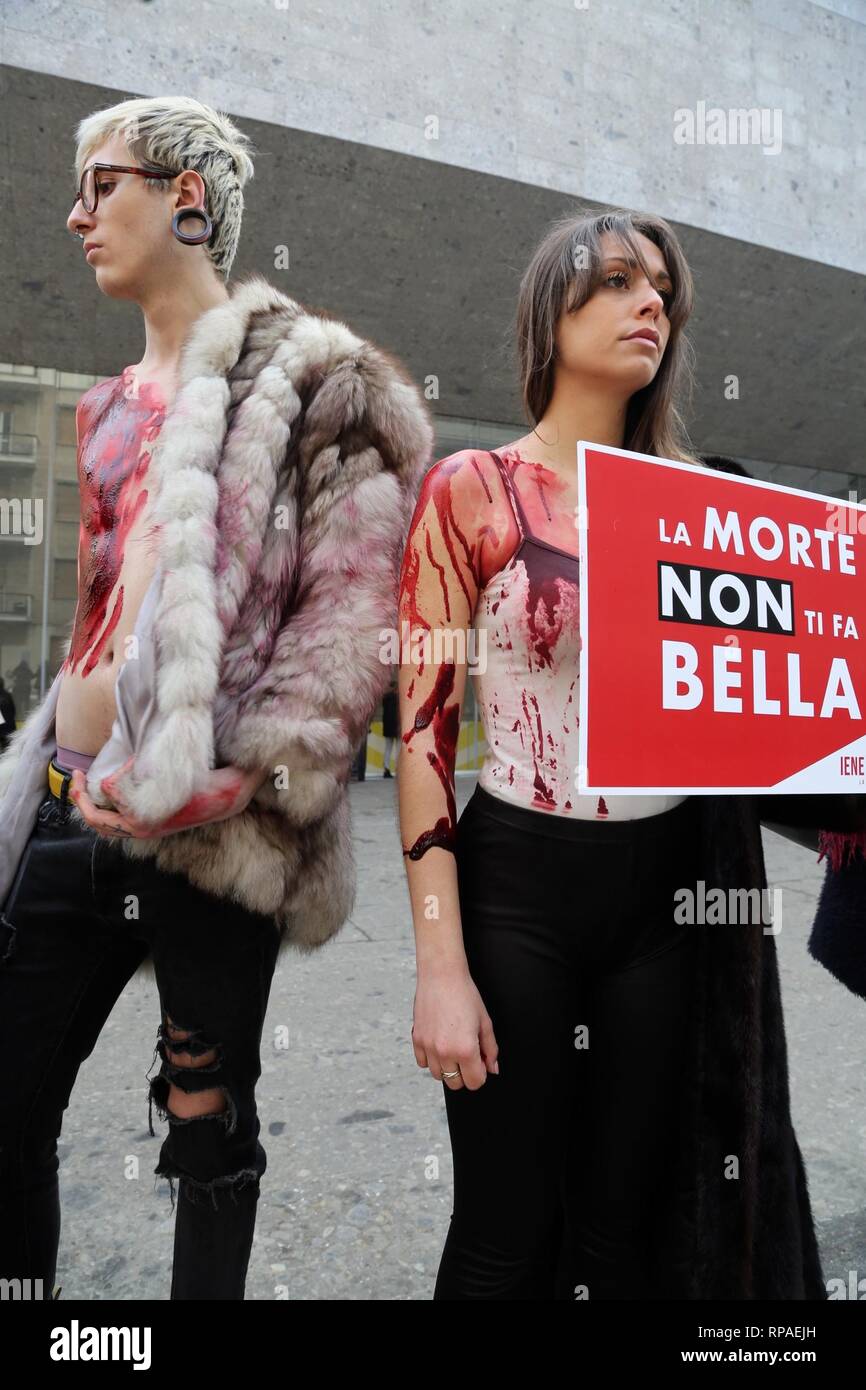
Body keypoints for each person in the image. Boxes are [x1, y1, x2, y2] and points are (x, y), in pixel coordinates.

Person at [0, 95, 432, 1301]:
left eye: (103, 185)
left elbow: (349, 616)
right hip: (64, 805)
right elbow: (104, 614)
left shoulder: (316, 379)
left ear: (188, 198)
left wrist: (250, 775)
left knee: (207, 1133)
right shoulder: (98, 406)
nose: (77, 215)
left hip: (211, 836)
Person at [396, 207, 866, 1300]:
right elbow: (421, 738)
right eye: (612, 279)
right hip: (514, 887)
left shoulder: (699, 505)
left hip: (667, 904)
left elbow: (781, 706)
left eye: (659, 287)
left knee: (623, 1236)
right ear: (547, 309)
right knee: (501, 1233)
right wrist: (437, 966)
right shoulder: (470, 488)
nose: (647, 300)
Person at [381, 668, 399, 776]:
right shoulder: (398, 699)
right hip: (396, 726)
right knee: (398, 749)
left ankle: (386, 769)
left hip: (387, 727)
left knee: (388, 748)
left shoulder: (385, 698)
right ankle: (398, 769)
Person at [0, 678, 16, 753]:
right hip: (9, 727)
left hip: (2, 727)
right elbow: (13, 710)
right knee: (6, 750)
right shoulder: (8, 695)